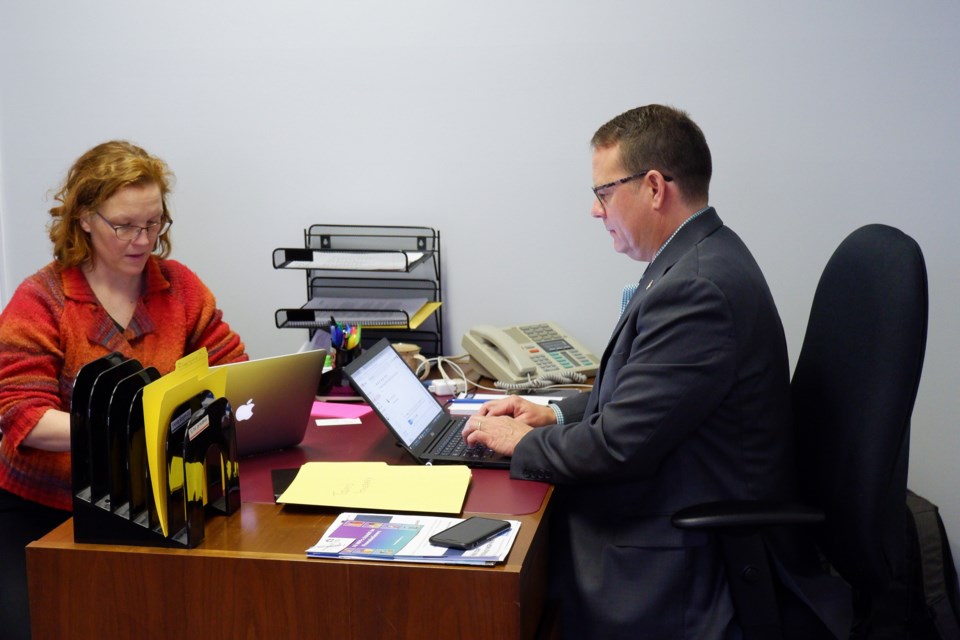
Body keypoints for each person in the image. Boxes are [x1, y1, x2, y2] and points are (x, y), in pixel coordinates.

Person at [462, 105, 850, 639]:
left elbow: (618, 446)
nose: (596, 212)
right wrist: (550, 413)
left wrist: (519, 442)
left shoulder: (695, 290)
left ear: (652, 187)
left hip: (685, 562)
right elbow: (644, 397)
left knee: (490, 574)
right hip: (684, 504)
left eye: (603, 193)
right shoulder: (696, 259)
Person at [0, 140, 247, 640]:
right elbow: (24, 416)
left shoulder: (178, 288)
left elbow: (233, 371)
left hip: (156, 504)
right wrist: (143, 427)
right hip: (45, 515)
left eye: (154, 224)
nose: (142, 240)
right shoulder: (42, 300)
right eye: (125, 226)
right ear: (85, 219)